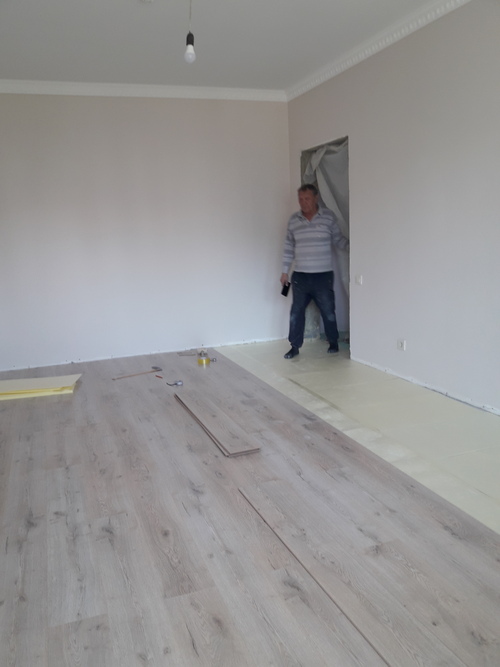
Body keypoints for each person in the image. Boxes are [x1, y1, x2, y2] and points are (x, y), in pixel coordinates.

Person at [280, 184, 349, 359]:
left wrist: (354, 247)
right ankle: (294, 346)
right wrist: (284, 271)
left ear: (315, 198)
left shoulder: (328, 217)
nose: (303, 202)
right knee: (296, 313)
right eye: (300, 199)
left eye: (307, 198)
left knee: (328, 310)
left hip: (323, 276)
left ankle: (333, 342)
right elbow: (288, 247)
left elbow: (338, 240)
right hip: (300, 276)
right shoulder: (294, 220)